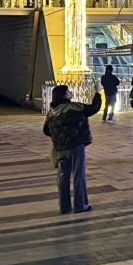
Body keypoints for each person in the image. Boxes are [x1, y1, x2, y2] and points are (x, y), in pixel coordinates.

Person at [43, 83, 101, 213]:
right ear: (64, 95)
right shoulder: (74, 107)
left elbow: (46, 130)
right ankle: (80, 205)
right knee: (78, 175)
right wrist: (97, 93)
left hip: (60, 148)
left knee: (63, 177)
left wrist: (59, 135)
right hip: (75, 146)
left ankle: (64, 206)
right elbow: (93, 108)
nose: (70, 92)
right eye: (68, 91)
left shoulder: (52, 112)